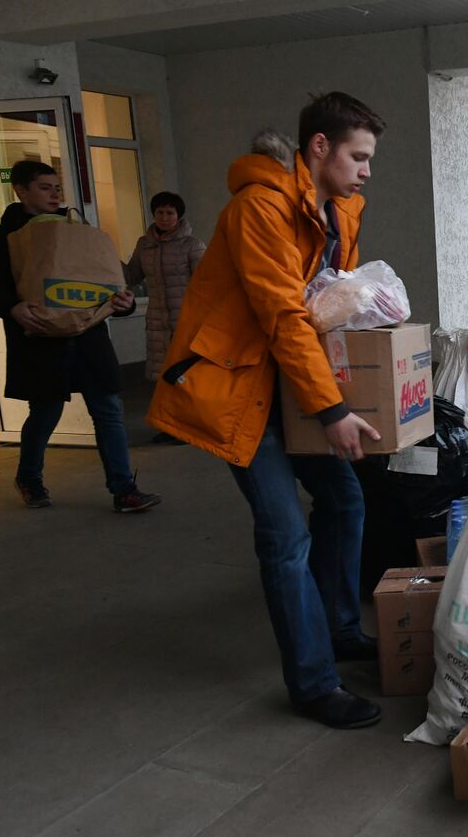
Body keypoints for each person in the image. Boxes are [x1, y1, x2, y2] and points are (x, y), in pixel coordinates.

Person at [148, 93, 387, 730]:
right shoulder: (259, 209)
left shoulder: (333, 211)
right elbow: (282, 315)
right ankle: (313, 684)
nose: (366, 171)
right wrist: (333, 408)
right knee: (285, 536)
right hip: (238, 392)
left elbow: (327, 298)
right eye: (358, 157)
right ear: (319, 148)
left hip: (287, 388)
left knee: (345, 499)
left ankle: (338, 629)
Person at [0, 159, 162, 514]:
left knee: (108, 410)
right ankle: (29, 478)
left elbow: (106, 283)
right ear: (21, 191)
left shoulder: (79, 231)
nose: (55, 193)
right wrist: (12, 307)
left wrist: (120, 303)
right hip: (40, 339)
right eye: (45, 187)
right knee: (46, 412)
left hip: (89, 338)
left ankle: (124, 490)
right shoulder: (3, 238)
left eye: (57, 187)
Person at [124, 190, 206, 443]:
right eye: (160, 212)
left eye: (170, 213)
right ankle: (170, 426)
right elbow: (132, 276)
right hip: (158, 321)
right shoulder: (145, 245)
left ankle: (190, 427)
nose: (164, 217)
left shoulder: (192, 245)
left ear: (178, 216)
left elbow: (206, 282)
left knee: (185, 376)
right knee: (162, 378)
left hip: (186, 321)